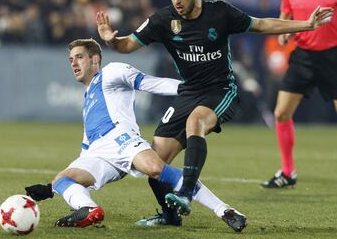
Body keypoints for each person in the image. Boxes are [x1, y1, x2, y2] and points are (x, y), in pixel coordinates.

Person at [96, 0, 333, 220]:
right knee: (155, 162)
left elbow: (262, 25)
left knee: (195, 121)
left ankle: (186, 191)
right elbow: (126, 45)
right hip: (189, 92)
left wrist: (306, 25)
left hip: (221, 90)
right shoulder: (163, 20)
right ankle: (169, 215)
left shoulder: (220, 13)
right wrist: (111, 40)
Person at [25, 38, 247, 232]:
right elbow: (86, 146)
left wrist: (189, 89)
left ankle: (224, 210)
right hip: (97, 153)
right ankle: (89, 209)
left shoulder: (112, 72)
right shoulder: (88, 96)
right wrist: (50, 189)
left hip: (120, 139)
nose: (73, 62)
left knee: (157, 170)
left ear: (95, 60)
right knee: (61, 179)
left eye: (79, 57)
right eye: (71, 59)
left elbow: (151, 83)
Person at [261, 0, 337, 188]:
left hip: (332, 57)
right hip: (302, 56)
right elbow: (286, 15)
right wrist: (284, 35)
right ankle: (287, 172)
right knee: (281, 113)